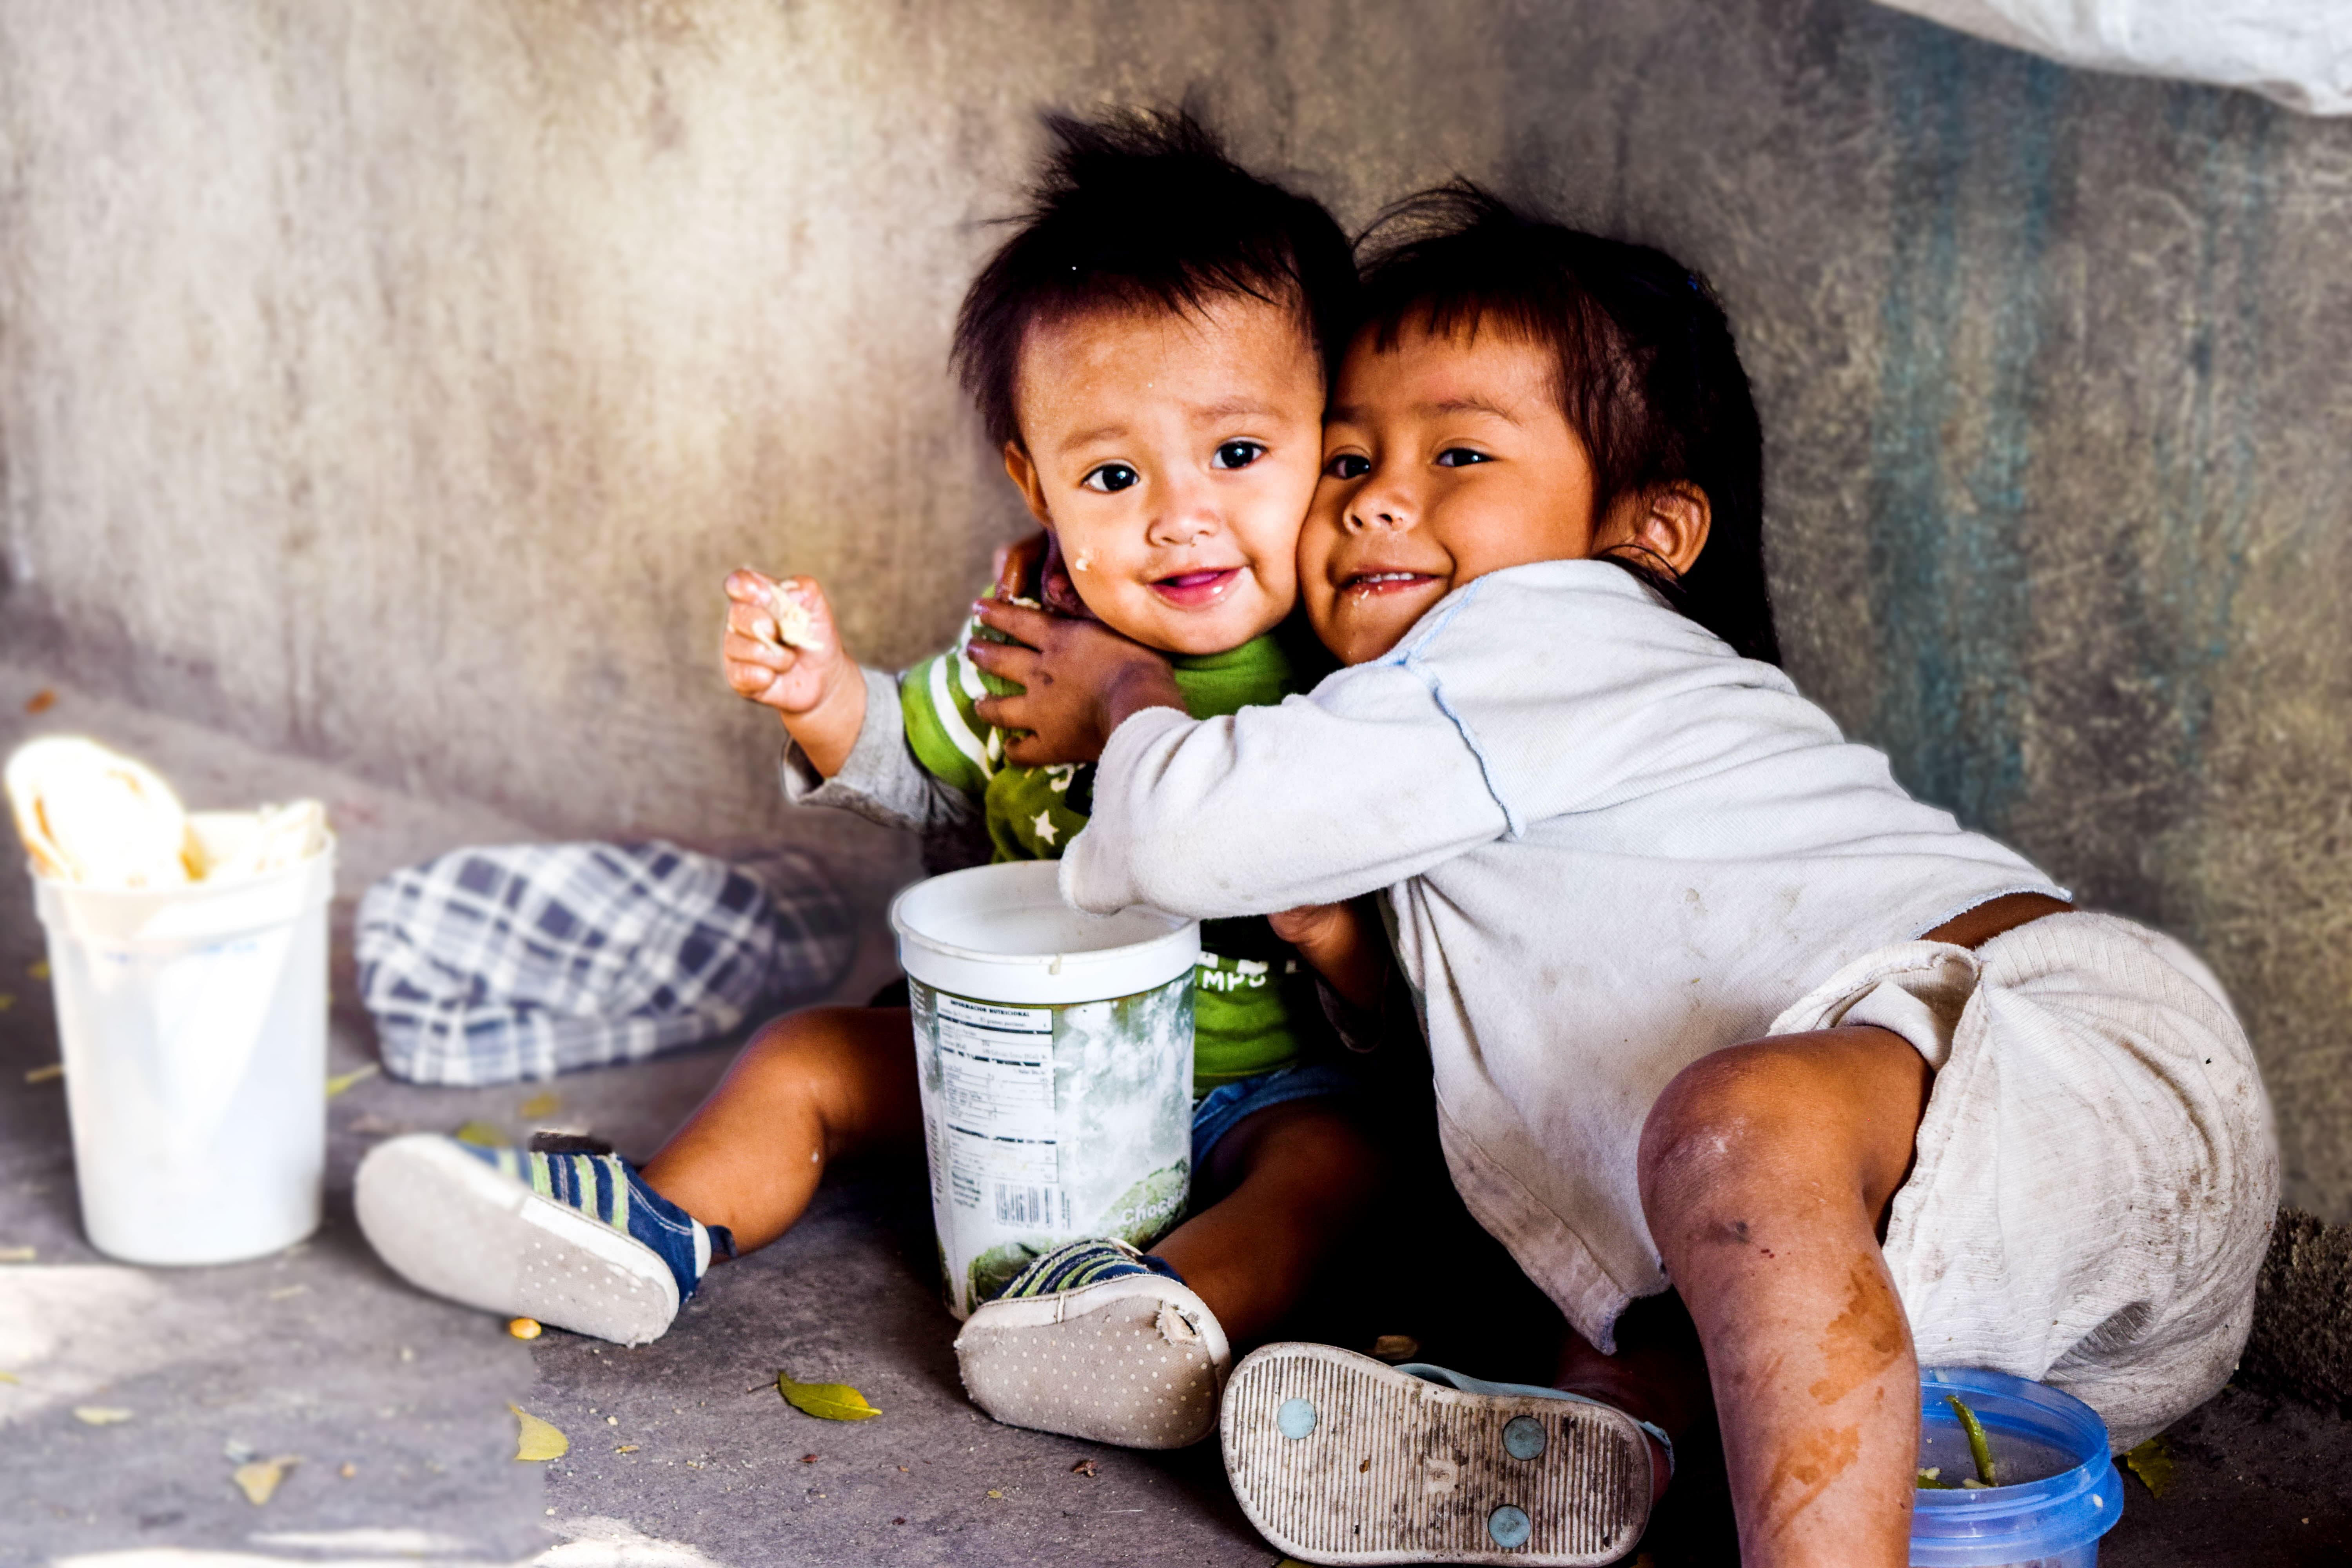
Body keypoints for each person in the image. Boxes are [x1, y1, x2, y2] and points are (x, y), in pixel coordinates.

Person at [964, 184, 2277, 1564]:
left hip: (2059, 1061)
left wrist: (1127, 692)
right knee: (1616, 1274)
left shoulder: (1540, 631)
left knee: (1732, 1135)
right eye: (1344, 462)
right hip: (2029, 1306)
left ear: (1646, 535)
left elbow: (1181, 837)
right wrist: (1349, 951)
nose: (1379, 500)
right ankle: (1619, 1437)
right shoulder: (1443, 737)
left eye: (1458, 453)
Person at [353, 107, 1385, 1452]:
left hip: (1260, 1093)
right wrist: (825, 694)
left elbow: (1405, 963)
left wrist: (1313, 913)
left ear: (1333, 442)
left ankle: (1142, 1323)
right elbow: (914, 758)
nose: (1179, 515)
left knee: (1338, 1174)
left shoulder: (1347, 672)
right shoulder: (1035, 640)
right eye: (1112, 474)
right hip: (1009, 1075)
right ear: (1035, 483)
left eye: (1239, 455)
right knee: (805, 1056)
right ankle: (647, 1232)